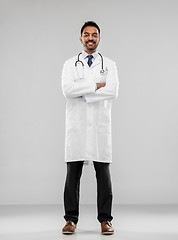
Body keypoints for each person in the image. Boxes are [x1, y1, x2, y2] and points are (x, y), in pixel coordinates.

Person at [61, 21, 119, 235]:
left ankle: (105, 220)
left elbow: (112, 91)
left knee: (103, 175)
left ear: (99, 38)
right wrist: (95, 86)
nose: (90, 38)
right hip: (76, 127)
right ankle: (70, 220)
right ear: (81, 38)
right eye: (86, 35)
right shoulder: (70, 64)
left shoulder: (109, 64)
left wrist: (82, 93)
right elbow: (67, 90)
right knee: (72, 176)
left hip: (99, 127)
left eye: (94, 35)